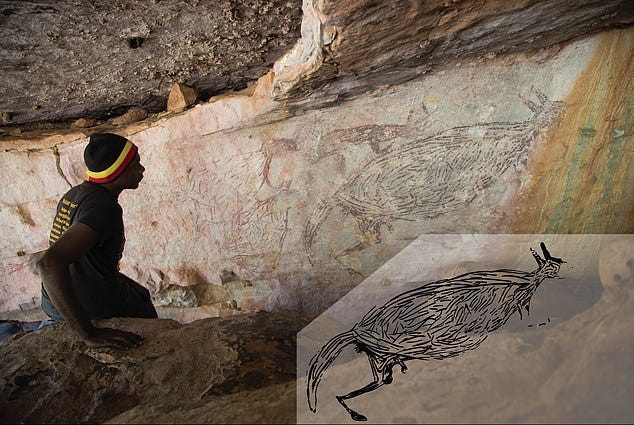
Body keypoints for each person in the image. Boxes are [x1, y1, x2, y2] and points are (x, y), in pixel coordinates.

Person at [37, 132, 157, 349]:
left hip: (52, 303)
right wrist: (87, 333)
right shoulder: (104, 209)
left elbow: (88, 261)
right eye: (135, 165)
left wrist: (128, 283)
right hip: (89, 307)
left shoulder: (76, 194)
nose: (142, 169)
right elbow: (49, 263)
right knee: (143, 315)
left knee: (140, 294)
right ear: (117, 172)